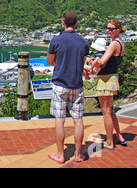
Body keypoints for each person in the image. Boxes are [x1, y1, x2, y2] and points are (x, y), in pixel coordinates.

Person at [46, 11, 89, 164]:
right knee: (78, 120)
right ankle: (77, 155)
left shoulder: (56, 40)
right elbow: (82, 62)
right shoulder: (83, 42)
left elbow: (50, 61)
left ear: (62, 22)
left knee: (59, 120)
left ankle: (60, 154)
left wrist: (61, 63)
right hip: (77, 84)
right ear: (76, 23)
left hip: (60, 84)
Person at [91, 19, 127, 150]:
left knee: (105, 111)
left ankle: (109, 141)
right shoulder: (121, 43)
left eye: (111, 29)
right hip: (112, 77)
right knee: (110, 111)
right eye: (107, 28)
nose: (108, 31)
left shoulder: (113, 44)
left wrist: (94, 62)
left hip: (106, 79)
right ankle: (119, 135)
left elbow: (102, 62)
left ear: (118, 30)